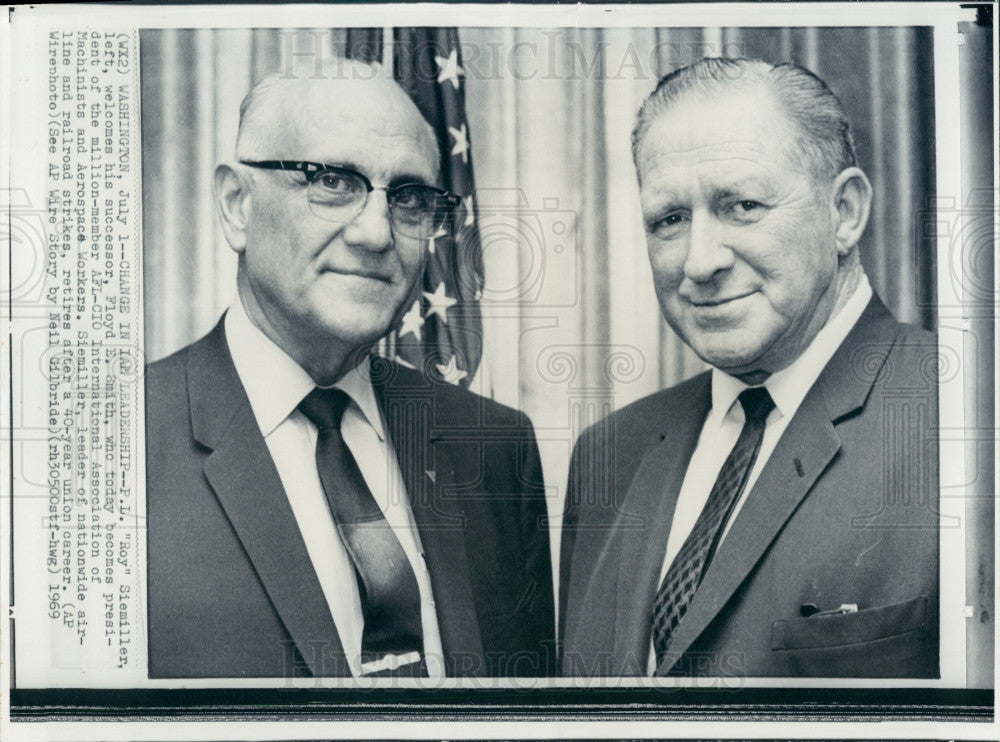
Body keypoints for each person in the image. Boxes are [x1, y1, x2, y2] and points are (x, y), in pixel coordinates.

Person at [145, 59, 553, 679]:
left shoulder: (495, 446)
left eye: (409, 198)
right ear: (236, 205)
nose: (375, 233)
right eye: (332, 181)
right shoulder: (109, 446)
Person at [560, 57, 939, 678]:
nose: (700, 262)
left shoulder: (968, 418)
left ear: (844, 212)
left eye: (742, 205)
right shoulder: (608, 453)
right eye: (670, 220)